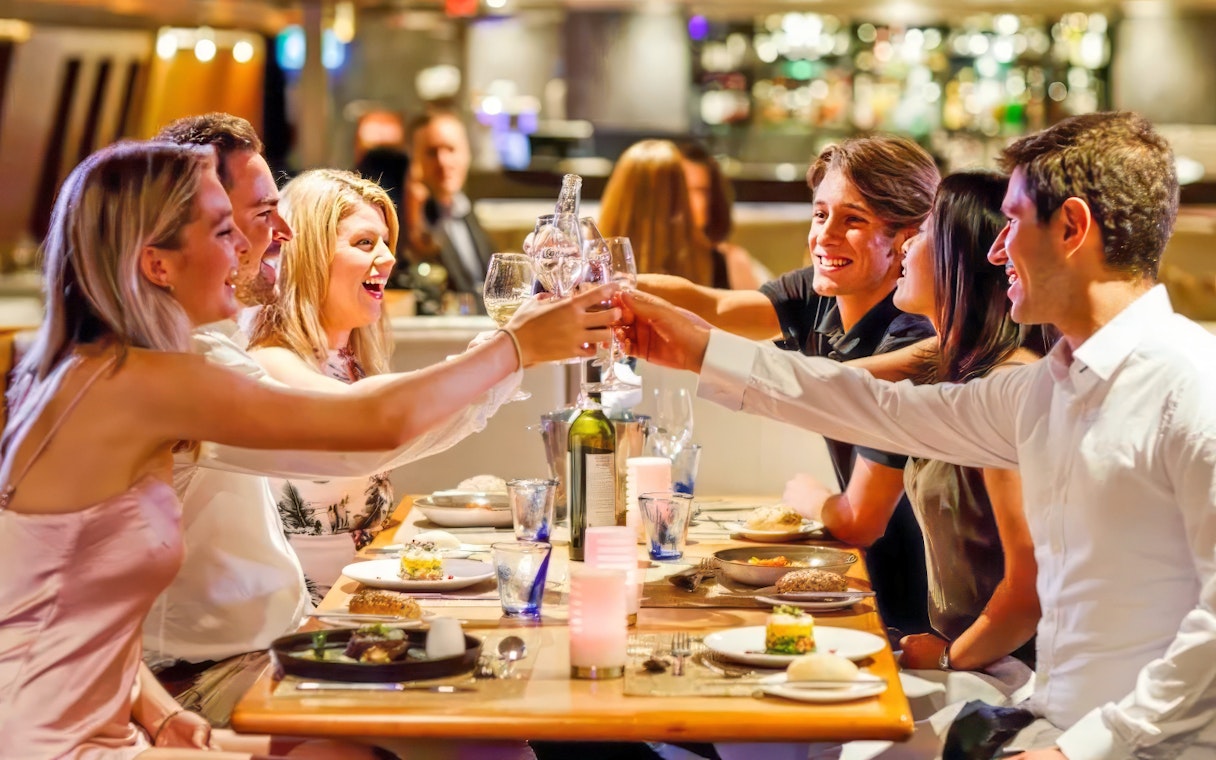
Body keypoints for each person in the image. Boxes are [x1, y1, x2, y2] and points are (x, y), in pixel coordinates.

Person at [622, 111, 1216, 758]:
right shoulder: (1048, 387)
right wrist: (696, 348)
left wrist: (1082, 749)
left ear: (1072, 227)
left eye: (1013, 221)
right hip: (1047, 719)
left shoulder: (1191, 385)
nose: (995, 250)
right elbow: (879, 408)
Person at [0, 139, 614, 758]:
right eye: (223, 231)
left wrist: (159, 716)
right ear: (158, 264)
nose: (247, 248)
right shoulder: (146, 381)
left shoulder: (108, 371)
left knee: (479, 743)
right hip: (48, 744)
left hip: (112, 726)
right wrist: (515, 346)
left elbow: (79, 603)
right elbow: (368, 427)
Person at [143, 114, 526, 727]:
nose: (282, 233)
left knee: (494, 702)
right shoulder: (185, 364)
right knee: (485, 727)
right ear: (164, 250)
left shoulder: (210, 346)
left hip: (278, 640)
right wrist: (514, 350)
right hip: (211, 671)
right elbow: (358, 437)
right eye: (253, 215)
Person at [639, 134, 940, 636]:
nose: (825, 236)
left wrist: (809, 498)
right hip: (866, 578)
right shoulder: (824, 293)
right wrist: (605, 287)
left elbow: (861, 520)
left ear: (906, 240)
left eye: (853, 220)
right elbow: (712, 305)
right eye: (820, 214)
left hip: (917, 610)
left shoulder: (912, 334)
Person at [844, 171, 1042, 673]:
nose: (905, 243)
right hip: (969, 656)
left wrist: (950, 659)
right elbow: (831, 385)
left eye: (925, 229)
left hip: (1010, 671)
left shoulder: (1006, 384)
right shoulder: (948, 358)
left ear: (963, 255)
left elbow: (1030, 589)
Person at [245, 168, 402, 603]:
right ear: (311, 255)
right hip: (304, 617)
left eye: (386, 242)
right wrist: (503, 356)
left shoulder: (353, 360)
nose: (388, 258)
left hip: (363, 600)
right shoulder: (272, 360)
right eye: (365, 243)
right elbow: (371, 419)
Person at [598, 139, 717, 286]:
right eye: (686, 190)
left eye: (702, 191)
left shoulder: (723, 262)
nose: (699, 203)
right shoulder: (588, 269)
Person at [405, 109, 494, 297]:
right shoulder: (409, 219)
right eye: (432, 152)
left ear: (467, 154)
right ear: (414, 159)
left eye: (451, 149)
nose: (443, 162)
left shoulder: (466, 211)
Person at [676, 141, 772, 289]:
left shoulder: (732, 262)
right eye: (679, 189)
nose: (686, 200)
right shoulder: (640, 259)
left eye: (699, 191)